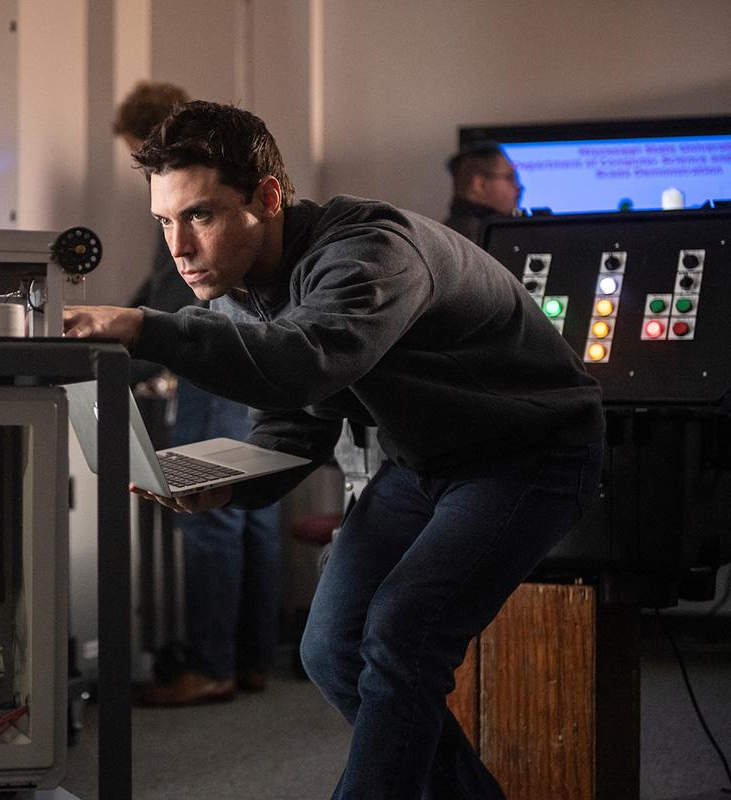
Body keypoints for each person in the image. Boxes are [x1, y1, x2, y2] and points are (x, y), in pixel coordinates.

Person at [64, 100, 604, 798]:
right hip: (425, 463)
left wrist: (144, 325)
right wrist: (229, 482)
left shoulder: (369, 251)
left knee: (402, 638)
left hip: (528, 454)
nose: (179, 247)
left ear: (267, 197)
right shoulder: (246, 288)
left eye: (199, 215)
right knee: (331, 647)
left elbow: (303, 362)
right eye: (165, 221)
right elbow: (297, 418)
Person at [112, 82, 283, 706]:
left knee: (209, 509)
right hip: (252, 363)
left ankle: (210, 666)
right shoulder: (209, 211)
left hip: (211, 368)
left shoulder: (194, 207)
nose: (178, 237)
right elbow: (156, 290)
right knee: (254, 510)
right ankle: (250, 661)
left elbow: (165, 302)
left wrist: (121, 350)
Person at [443, 141, 522, 243]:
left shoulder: (445, 233)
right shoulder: (489, 237)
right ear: (479, 185)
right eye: (510, 177)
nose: (518, 187)